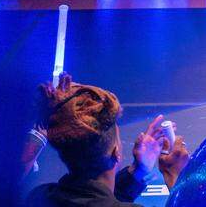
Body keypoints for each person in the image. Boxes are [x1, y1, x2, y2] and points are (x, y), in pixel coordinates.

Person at [25, 73, 188, 206]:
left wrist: (138, 170)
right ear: (116, 152)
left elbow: (96, 201)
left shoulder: (39, 198)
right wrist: (176, 176)